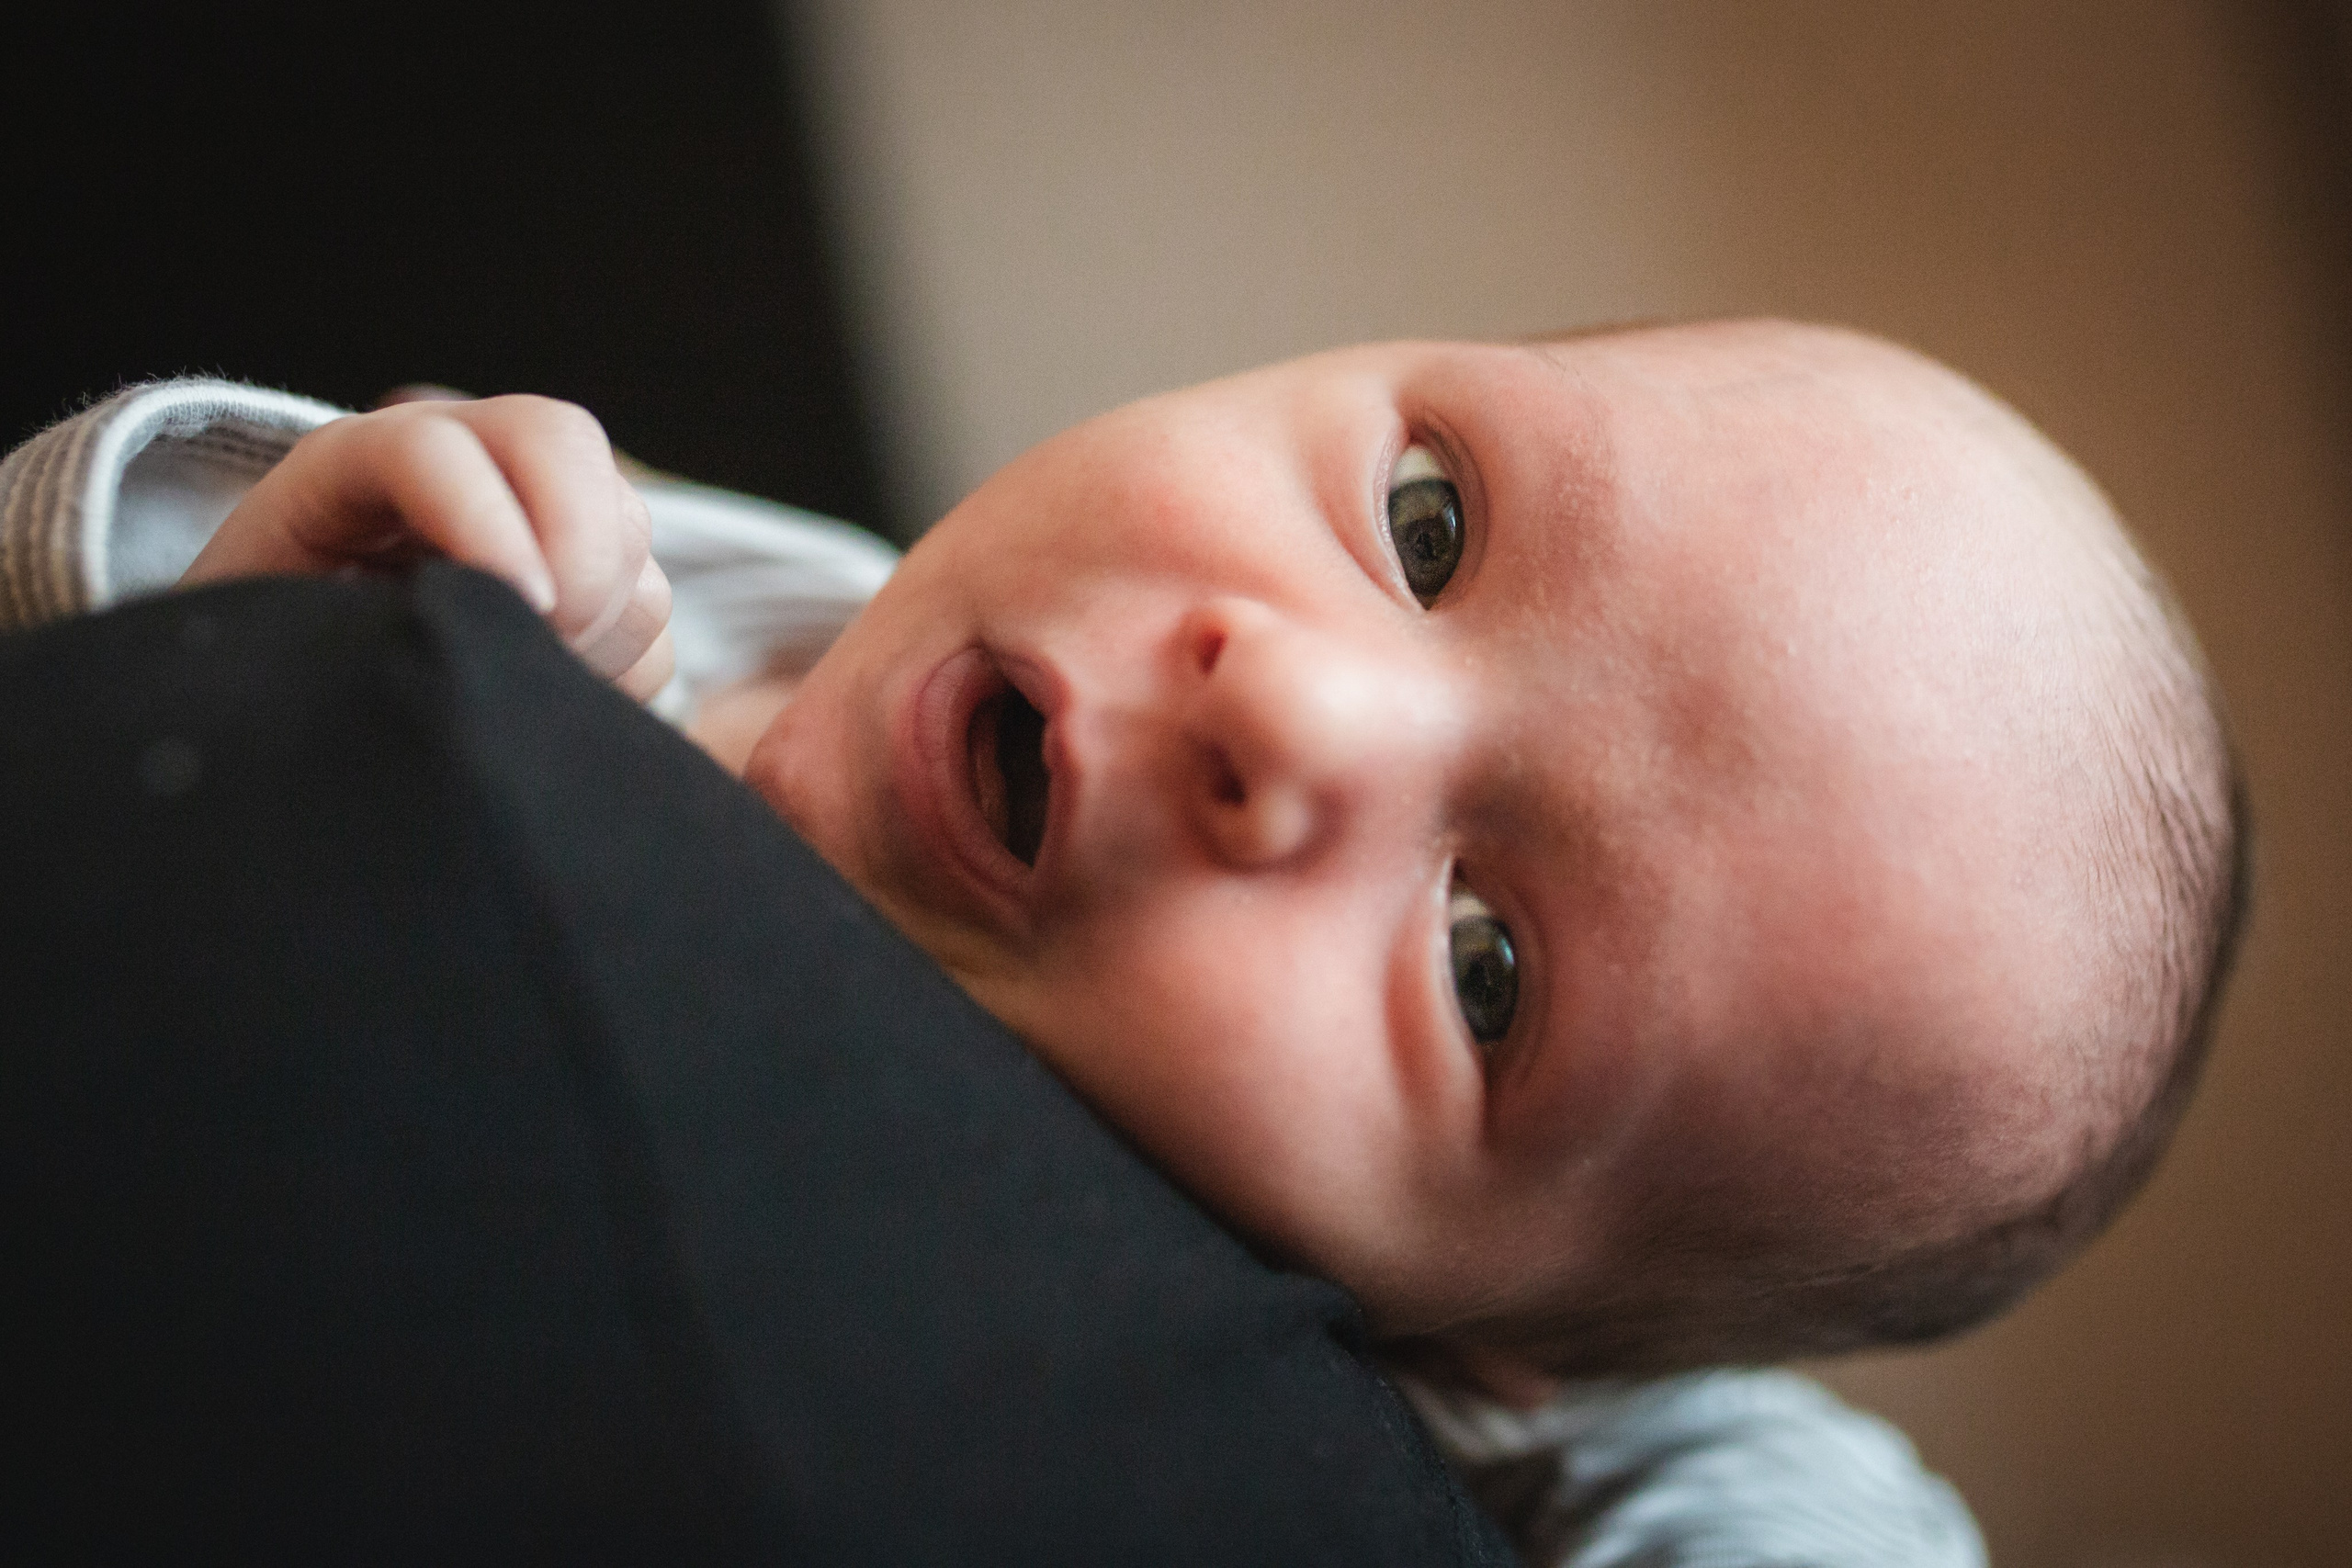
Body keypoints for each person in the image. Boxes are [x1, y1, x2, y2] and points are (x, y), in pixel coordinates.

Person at [0, 318, 2244, 1565]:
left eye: (1486, 968)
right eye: (1427, 522)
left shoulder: (1435, 1418)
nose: (1295, 703)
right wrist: (229, 570)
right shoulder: (637, 567)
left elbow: (1784, 1492)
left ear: (1475, 1346)